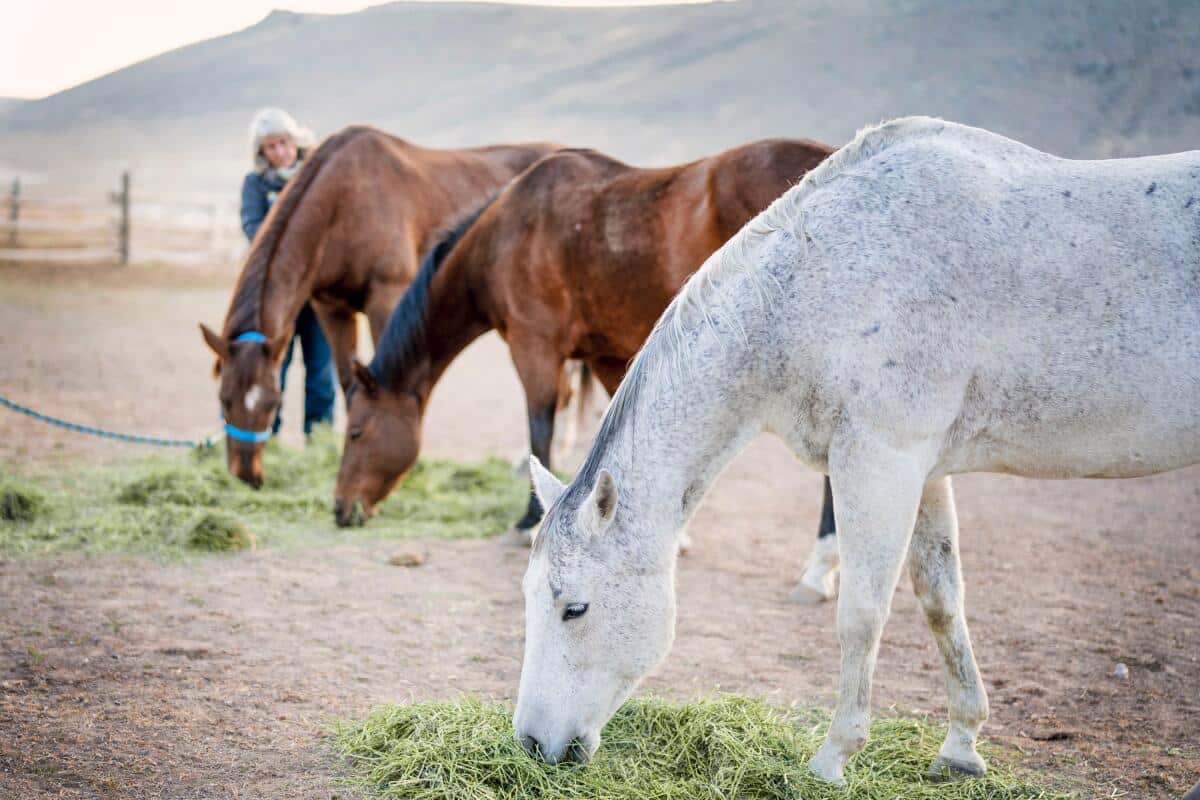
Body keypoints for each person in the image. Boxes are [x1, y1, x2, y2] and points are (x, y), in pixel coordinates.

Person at [239, 107, 336, 437]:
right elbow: (255, 231)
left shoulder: (316, 178)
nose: (280, 152)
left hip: (317, 296)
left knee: (321, 375)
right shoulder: (255, 185)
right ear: (261, 152)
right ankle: (271, 442)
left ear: (295, 141)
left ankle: (319, 444)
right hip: (276, 298)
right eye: (271, 146)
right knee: (273, 371)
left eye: (284, 142)